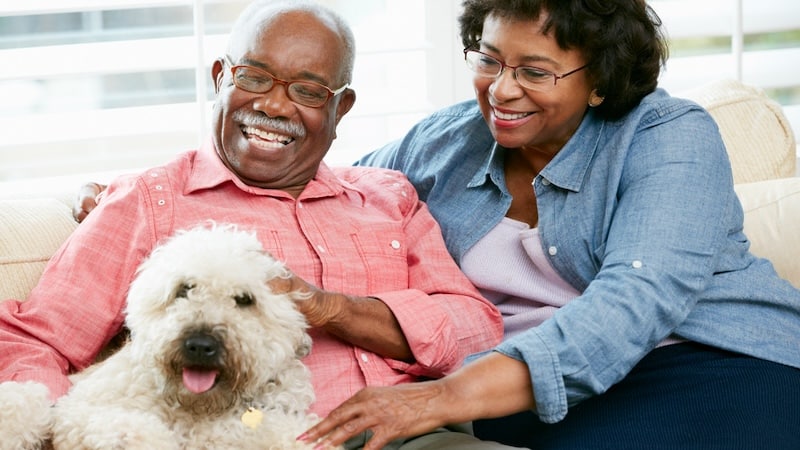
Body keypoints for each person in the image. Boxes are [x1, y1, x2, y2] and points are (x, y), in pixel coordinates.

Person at [0, 2, 522, 449]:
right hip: (244, 435)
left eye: (308, 91)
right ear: (219, 78)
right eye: (253, 77)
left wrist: (330, 308)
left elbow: (475, 323)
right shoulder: (152, 200)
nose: (273, 105)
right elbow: (34, 342)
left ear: (341, 108)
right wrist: (66, 428)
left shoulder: (388, 197)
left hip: (414, 434)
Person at [297, 1, 800, 449]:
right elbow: (332, 198)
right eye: (489, 60)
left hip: (701, 365)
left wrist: (442, 398)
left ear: (600, 80)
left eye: (535, 73)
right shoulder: (442, 142)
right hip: (513, 400)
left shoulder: (667, 134)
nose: (501, 90)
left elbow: (636, 301)